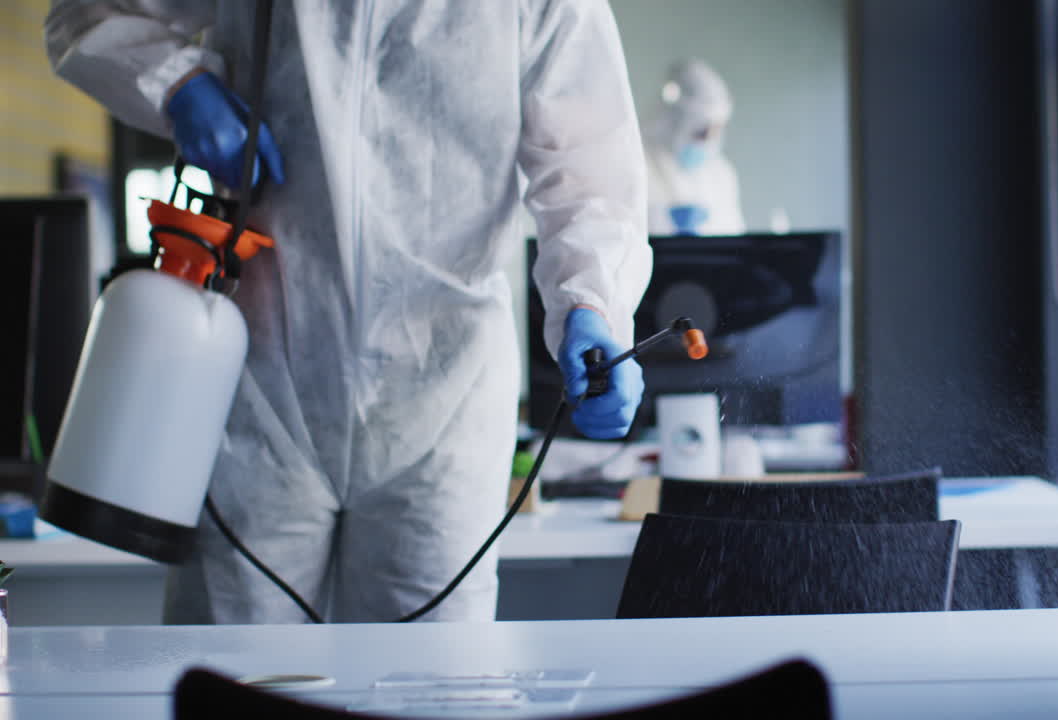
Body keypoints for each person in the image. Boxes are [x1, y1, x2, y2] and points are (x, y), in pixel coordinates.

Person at [45, 0, 651, 624]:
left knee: (428, 692)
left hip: (446, 393)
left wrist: (592, 304)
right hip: (257, 379)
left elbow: (590, 173)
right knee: (236, 677)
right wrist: (178, 84)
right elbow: (86, 15)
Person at [645, 58, 746, 236]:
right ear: (673, 123)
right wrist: (659, 219)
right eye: (701, 131)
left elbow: (736, 238)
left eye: (715, 131)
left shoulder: (722, 174)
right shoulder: (638, 162)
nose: (707, 141)